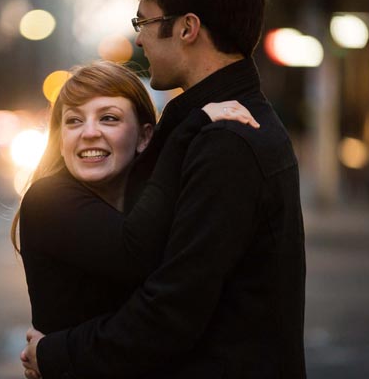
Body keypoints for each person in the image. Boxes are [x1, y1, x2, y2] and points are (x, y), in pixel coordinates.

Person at [21, 0, 306, 378]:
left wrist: (54, 354)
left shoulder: (226, 140)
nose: (139, 40)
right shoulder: (206, 125)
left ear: (187, 28)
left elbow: (169, 313)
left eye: (145, 21)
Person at [13, 61, 258, 336]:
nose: (89, 132)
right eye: (74, 120)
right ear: (60, 140)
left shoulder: (155, 198)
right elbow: (136, 253)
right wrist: (187, 129)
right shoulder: (47, 199)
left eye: (108, 118)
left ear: (144, 137)